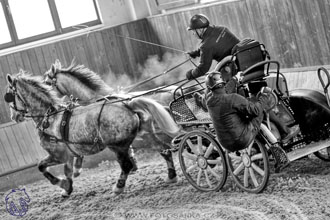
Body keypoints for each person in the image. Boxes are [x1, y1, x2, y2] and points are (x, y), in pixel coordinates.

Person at [185, 14, 240, 80]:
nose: (193, 34)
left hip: (234, 69)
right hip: (242, 58)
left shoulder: (205, 46)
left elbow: (203, 69)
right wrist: (196, 53)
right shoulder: (222, 28)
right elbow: (215, 46)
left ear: (199, 30)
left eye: (193, 31)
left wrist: (191, 74)